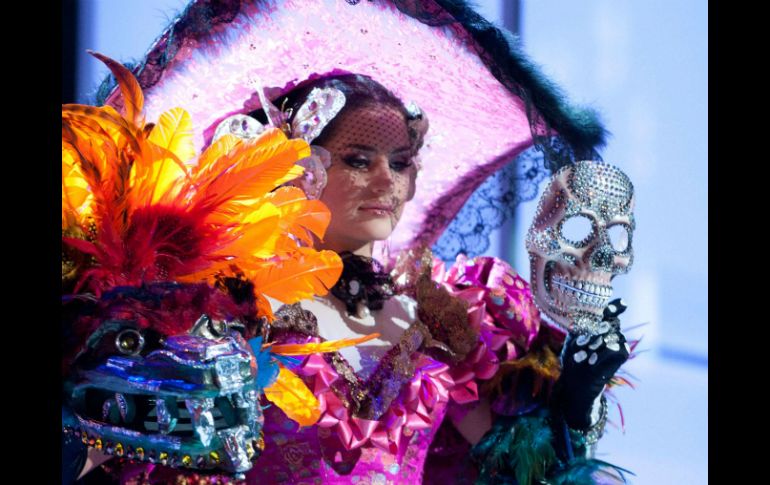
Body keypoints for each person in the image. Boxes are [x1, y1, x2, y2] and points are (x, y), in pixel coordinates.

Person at [71, 1, 636, 483]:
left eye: (401, 162)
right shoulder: (224, 309)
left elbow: (520, 473)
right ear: (292, 167)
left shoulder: (440, 320)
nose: (387, 182)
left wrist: (579, 397)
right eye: (359, 160)